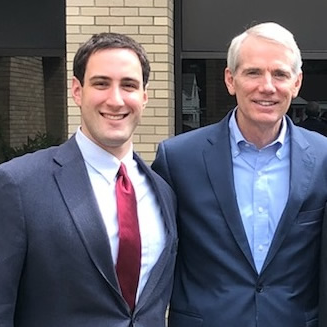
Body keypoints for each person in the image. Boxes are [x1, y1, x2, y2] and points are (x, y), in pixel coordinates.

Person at [152, 22, 327, 327]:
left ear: (296, 83)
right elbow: (154, 257)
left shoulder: (324, 157)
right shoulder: (178, 158)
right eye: (253, 72)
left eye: (280, 74)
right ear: (230, 80)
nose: (267, 86)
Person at [0, 32, 177, 326]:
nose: (116, 99)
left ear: (144, 98)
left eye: (129, 85)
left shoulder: (163, 192)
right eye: (101, 83)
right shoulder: (19, 184)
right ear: (77, 91)